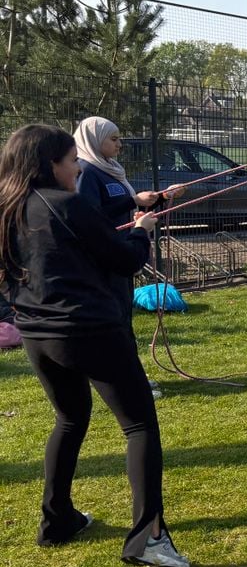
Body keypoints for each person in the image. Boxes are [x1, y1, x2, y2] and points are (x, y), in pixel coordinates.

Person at [0, 124, 188, 567]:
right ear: (51, 165)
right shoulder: (66, 204)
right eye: (71, 162)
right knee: (139, 425)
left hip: (38, 336)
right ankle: (149, 538)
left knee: (70, 419)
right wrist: (142, 230)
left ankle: (58, 519)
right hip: (89, 332)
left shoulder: (8, 209)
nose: (76, 170)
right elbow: (124, 259)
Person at [74, 117, 185, 398]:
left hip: (122, 255)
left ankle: (129, 377)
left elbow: (120, 207)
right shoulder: (86, 172)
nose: (120, 145)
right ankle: (126, 382)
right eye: (113, 139)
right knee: (115, 321)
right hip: (104, 260)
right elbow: (89, 217)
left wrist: (159, 198)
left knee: (123, 318)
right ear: (93, 140)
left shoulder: (109, 170)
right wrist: (133, 203)